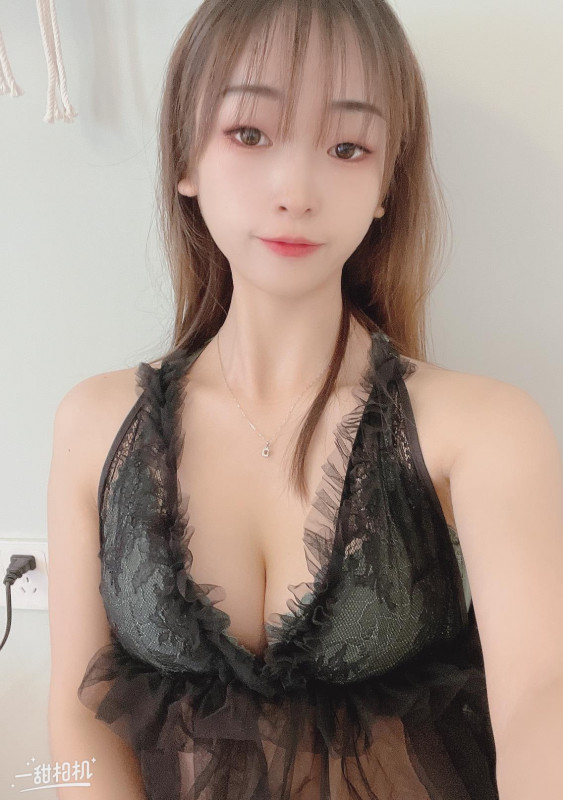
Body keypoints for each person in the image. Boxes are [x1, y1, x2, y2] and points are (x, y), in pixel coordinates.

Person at [47, 2, 563, 799]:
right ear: (185, 158)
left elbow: (539, 701)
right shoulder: (93, 425)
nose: (295, 190)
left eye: (347, 147)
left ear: (385, 184)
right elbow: (74, 716)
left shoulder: (483, 428)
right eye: (249, 133)